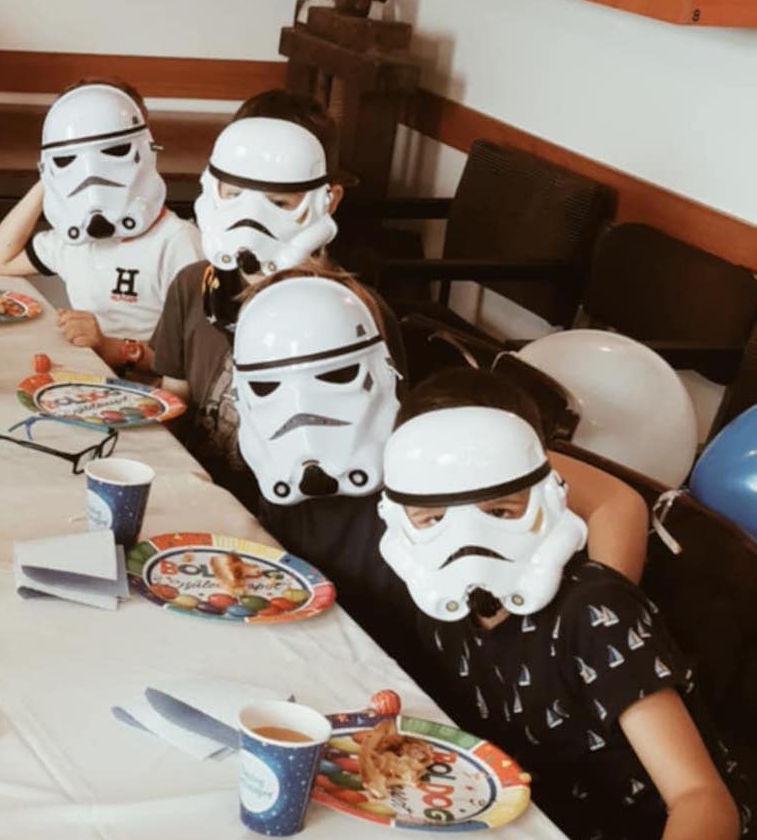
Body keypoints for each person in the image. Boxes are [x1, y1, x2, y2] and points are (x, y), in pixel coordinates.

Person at [377, 373, 750, 840]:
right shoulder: (440, 608)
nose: (467, 542)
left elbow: (704, 800)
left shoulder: (594, 614)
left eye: (498, 511)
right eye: (433, 516)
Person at [226, 289, 649, 695]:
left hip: (439, 677)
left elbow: (617, 504)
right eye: (269, 384)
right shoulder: (279, 462)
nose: (303, 408)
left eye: (333, 375)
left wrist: (588, 628)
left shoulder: (436, 445)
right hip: (325, 648)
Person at [152, 91, 348, 468]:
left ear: (329, 200)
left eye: (278, 203)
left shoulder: (349, 313)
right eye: (236, 195)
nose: (252, 220)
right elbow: (175, 403)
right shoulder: (193, 286)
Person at [0, 81, 200, 370]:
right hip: (84, 376)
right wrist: (52, 177)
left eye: (113, 150)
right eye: (69, 157)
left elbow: (196, 362)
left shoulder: (178, 242)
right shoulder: (74, 242)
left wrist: (110, 347)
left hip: (143, 385)